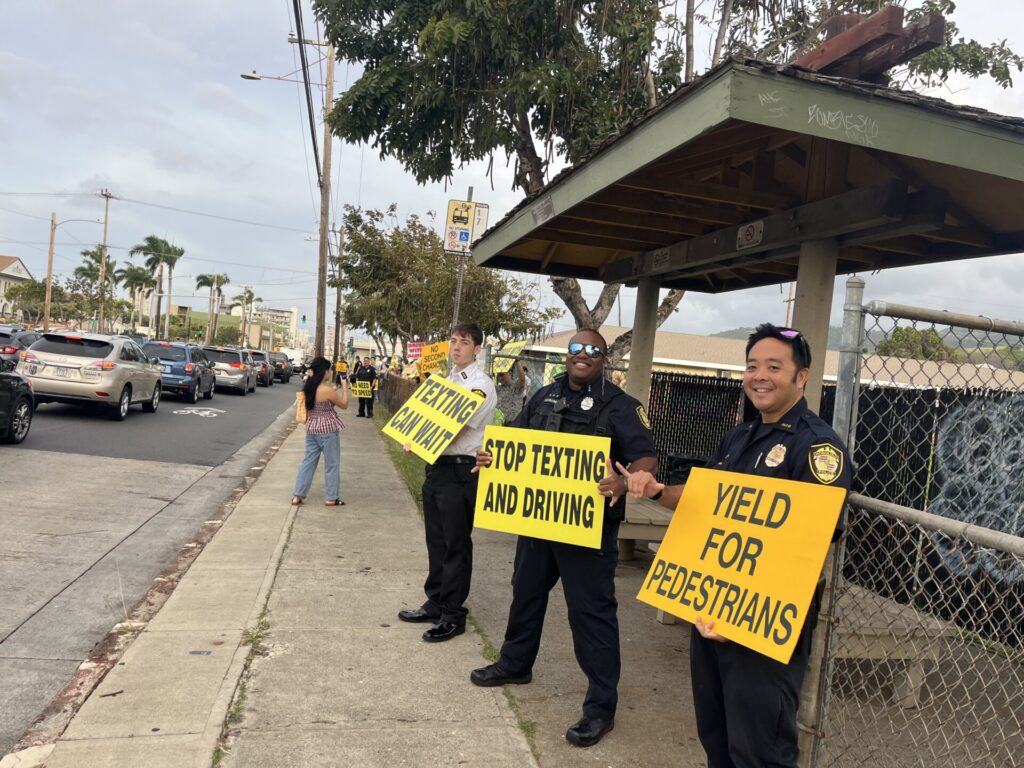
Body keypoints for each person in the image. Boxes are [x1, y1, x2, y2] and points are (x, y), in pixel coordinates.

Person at [616, 323, 853, 768]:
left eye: (774, 367)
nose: (759, 376)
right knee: (717, 736)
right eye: (752, 366)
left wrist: (742, 615)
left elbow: (814, 536)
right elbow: (705, 501)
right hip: (713, 609)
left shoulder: (817, 446)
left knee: (760, 749)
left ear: (801, 377)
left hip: (762, 622)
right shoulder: (739, 436)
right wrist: (655, 490)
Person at [470, 329, 658, 748]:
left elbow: (645, 456)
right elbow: (515, 440)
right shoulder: (543, 397)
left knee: (591, 615)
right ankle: (515, 663)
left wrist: (628, 482)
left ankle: (599, 708)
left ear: (605, 358)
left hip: (588, 533)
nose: (582, 355)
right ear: (566, 355)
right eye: (575, 348)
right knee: (526, 594)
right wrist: (491, 456)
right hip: (539, 524)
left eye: (592, 350)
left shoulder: (622, 407)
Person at [398, 323, 497, 642]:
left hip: (461, 471)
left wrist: (422, 437)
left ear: (477, 349)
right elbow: (428, 419)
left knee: (456, 543)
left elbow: (454, 426)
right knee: (436, 540)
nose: (456, 347)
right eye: (453, 341)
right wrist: (412, 437)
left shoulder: (480, 385)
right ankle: (436, 601)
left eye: (464, 343)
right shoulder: (446, 381)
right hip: (438, 467)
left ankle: (453, 613)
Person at [292, 356, 350, 507]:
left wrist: (334, 391)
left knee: (308, 462)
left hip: (312, 428)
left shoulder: (309, 387)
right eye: (329, 369)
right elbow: (344, 404)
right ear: (324, 372)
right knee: (332, 463)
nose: (330, 372)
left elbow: (319, 404)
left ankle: (297, 495)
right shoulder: (327, 390)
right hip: (328, 430)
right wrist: (344, 388)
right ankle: (332, 497)